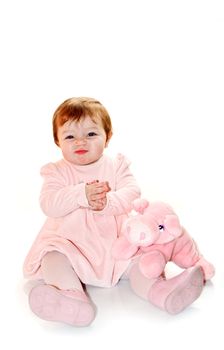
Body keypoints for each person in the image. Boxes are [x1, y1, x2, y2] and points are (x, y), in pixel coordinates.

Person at [23, 97, 206, 327]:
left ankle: (161, 291)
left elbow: (132, 192)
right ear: (58, 141)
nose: (80, 141)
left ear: (107, 137)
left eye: (91, 134)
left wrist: (108, 202)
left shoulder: (116, 166)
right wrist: (81, 195)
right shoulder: (56, 172)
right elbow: (49, 203)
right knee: (52, 258)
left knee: (141, 260)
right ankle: (70, 297)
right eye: (70, 136)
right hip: (71, 243)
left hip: (116, 245)